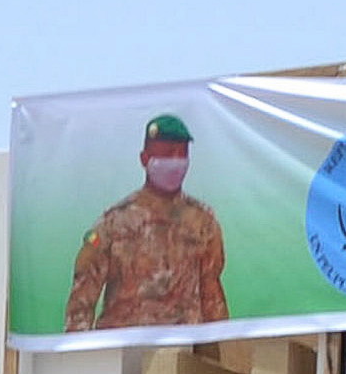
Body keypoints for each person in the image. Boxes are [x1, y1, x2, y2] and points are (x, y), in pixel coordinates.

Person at [63, 111, 233, 332]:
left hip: (185, 352)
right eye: (167, 155)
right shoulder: (114, 222)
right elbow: (82, 298)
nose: (175, 162)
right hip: (123, 350)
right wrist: (82, 357)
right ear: (144, 159)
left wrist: (223, 350)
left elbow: (212, 296)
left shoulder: (203, 221)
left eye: (181, 155)